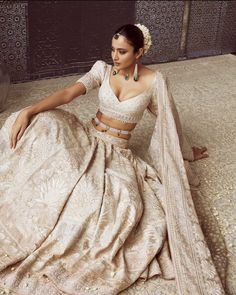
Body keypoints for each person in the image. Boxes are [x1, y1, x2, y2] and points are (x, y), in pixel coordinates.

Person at [0, 24, 224, 295]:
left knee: (115, 204)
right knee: (44, 130)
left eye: (122, 51)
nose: (115, 56)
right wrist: (29, 110)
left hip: (117, 153)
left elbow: (169, 122)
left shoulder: (155, 83)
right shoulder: (102, 70)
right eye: (112, 50)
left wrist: (187, 152)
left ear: (139, 52)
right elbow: (69, 93)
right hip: (86, 136)